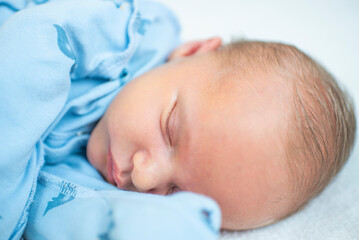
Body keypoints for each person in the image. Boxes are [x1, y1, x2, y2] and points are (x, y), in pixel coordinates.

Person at [0, 0, 356, 238]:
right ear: (191, 52)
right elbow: (28, 46)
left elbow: (61, 212)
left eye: (174, 192)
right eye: (170, 132)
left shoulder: (114, 177)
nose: (143, 175)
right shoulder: (128, 30)